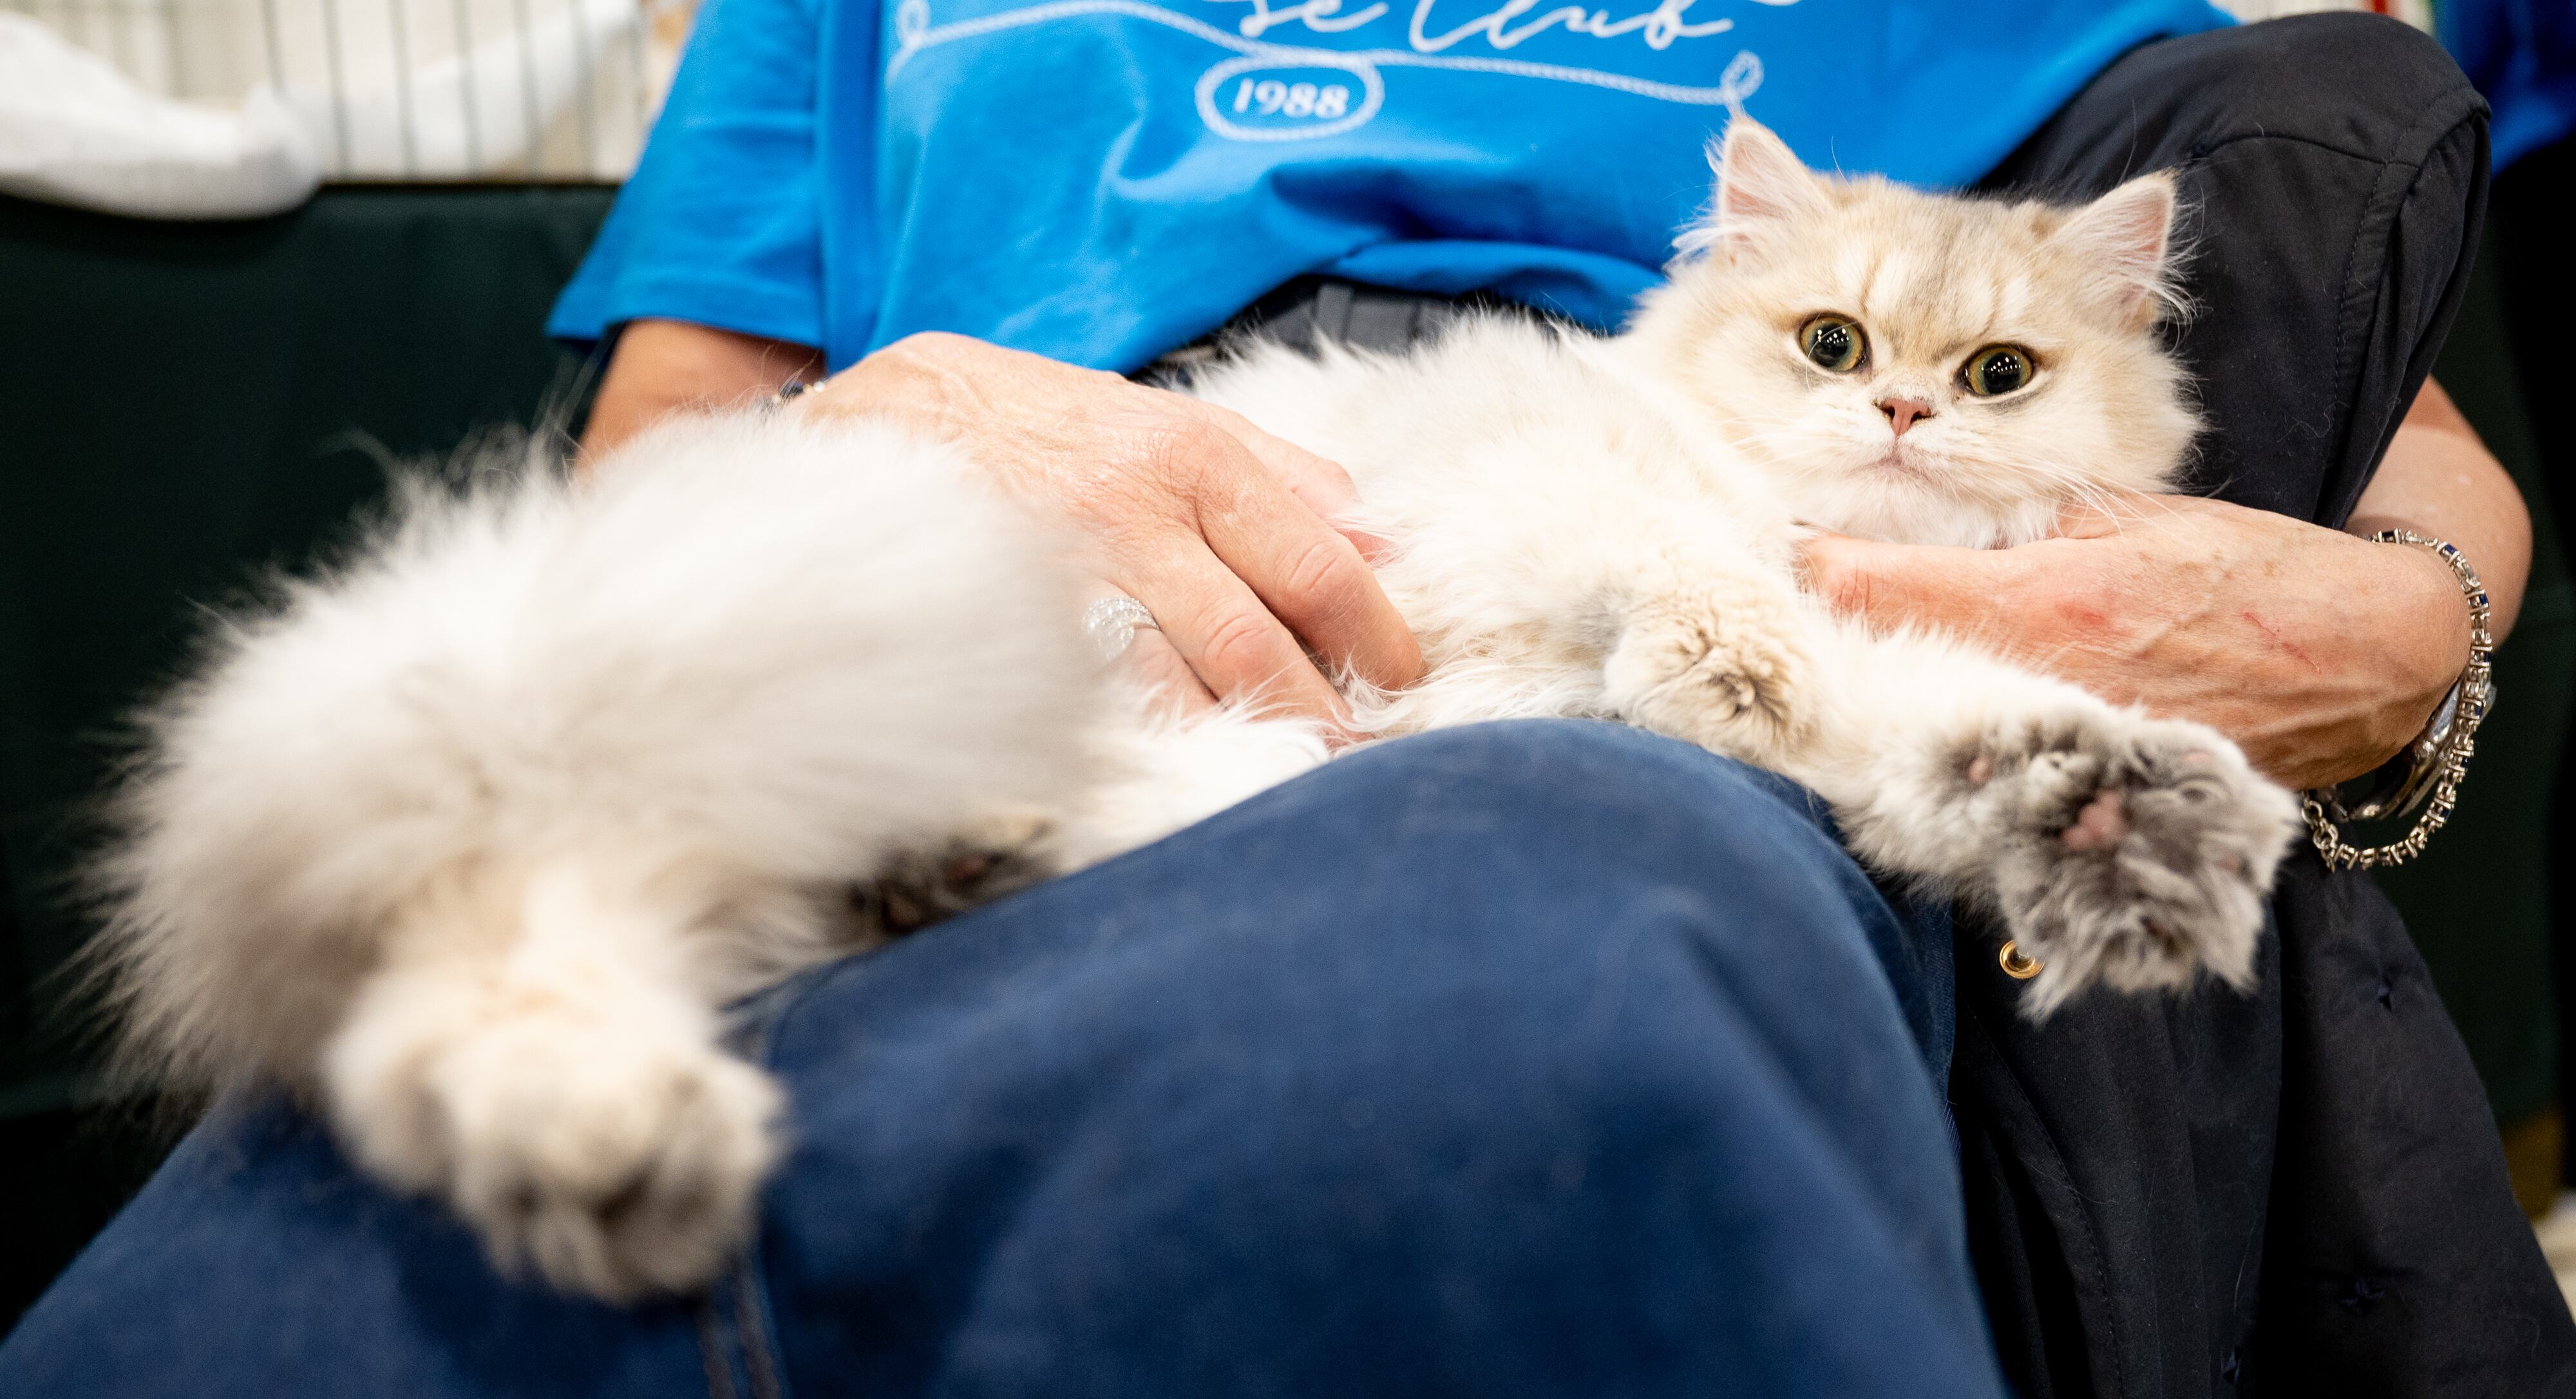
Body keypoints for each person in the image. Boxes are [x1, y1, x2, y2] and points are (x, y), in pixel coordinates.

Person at [1, 5, 2565, 1396]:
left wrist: (2403, 628)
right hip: (958, 552)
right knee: (194, 1330)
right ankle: (538, 978)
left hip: (1610, 647)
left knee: (1528, 1011)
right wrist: (890, 426)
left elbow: (2394, 435)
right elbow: (647, 477)